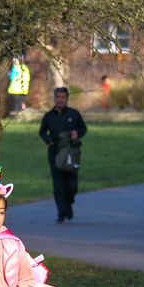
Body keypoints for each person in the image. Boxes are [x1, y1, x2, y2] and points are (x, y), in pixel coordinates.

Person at [39, 86, 87, 224]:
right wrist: (48, 140)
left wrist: (77, 133)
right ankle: (62, 213)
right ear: (54, 98)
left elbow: (83, 128)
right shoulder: (49, 116)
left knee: (72, 186)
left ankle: (68, 203)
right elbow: (42, 131)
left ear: (67, 99)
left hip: (72, 155)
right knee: (59, 187)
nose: (60, 100)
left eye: (63, 97)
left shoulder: (74, 114)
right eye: (58, 97)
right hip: (55, 154)